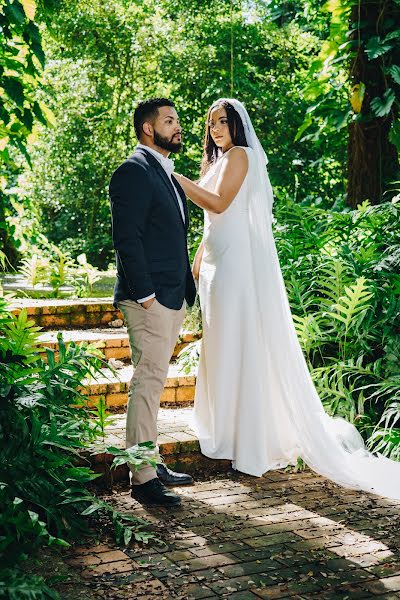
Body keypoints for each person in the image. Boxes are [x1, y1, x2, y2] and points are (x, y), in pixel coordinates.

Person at [173, 98, 400, 500]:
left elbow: (221, 204)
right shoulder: (216, 162)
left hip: (237, 265)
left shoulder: (241, 156)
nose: (215, 129)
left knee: (238, 342)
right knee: (219, 344)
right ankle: (219, 424)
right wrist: (198, 258)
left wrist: (176, 179)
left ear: (238, 125)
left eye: (222, 121)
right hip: (215, 263)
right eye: (210, 124)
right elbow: (213, 220)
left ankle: (245, 435)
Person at [109, 98, 196, 507]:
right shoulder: (133, 171)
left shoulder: (165, 172)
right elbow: (127, 238)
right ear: (148, 129)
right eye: (169, 121)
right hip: (149, 299)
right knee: (146, 383)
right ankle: (142, 478)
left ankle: (151, 460)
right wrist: (145, 295)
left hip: (170, 295)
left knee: (155, 381)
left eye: (177, 120)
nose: (178, 127)